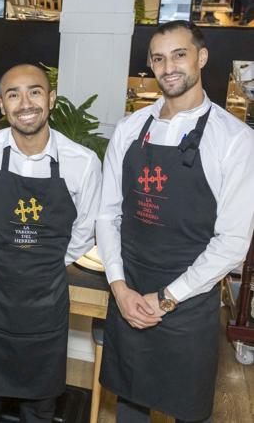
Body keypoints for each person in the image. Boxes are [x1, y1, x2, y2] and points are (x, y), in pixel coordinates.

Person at [97, 21, 254, 423]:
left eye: (179, 55)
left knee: (187, 408)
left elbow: (233, 242)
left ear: (201, 58)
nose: (168, 67)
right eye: (158, 58)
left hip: (187, 304)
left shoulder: (235, 140)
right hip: (128, 291)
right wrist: (119, 287)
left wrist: (166, 298)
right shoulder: (131, 128)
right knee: (128, 404)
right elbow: (108, 213)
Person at [0, 64, 102, 422]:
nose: (25, 103)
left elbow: (85, 229)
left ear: (51, 99)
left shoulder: (82, 163)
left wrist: (46, 262)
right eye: (13, 94)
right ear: (1, 107)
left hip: (45, 302)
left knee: (40, 403)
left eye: (35, 92)